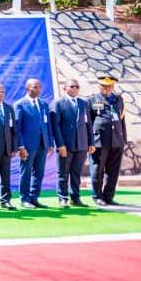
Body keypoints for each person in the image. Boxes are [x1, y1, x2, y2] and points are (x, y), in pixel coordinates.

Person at [51, 79, 91, 208]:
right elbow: (55, 126)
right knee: (63, 173)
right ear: (65, 88)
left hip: (81, 144)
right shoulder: (58, 103)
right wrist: (60, 144)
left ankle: (75, 197)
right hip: (65, 146)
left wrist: (90, 142)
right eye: (72, 86)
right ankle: (63, 198)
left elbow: (88, 124)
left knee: (76, 173)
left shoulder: (83, 103)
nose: (75, 89)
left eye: (77, 87)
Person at [14, 78, 54, 208]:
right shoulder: (20, 105)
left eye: (39, 87)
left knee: (39, 172)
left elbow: (48, 125)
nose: (38, 89)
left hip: (42, 145)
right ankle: (24, 199)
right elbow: (17, 128)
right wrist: (21, 146)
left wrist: (50, 143)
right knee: (25, 172)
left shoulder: (43, 104)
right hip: (27, 146)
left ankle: (34, 197)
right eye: (35, 87)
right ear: (27, 88)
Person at [88, 76, 126, 206]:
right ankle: (97, 196)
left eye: (109, 86)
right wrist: (90, 141)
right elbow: (89, 123)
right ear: (99, 86)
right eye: (104, 86)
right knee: (98, 169)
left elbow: (122, 121)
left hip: (116, 140)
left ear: (113, 87)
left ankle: (108, 196)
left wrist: (123, 140)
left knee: (113, 170)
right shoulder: (92, 100)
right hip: (99, 140)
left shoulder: (118, 99)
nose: (107, 88)